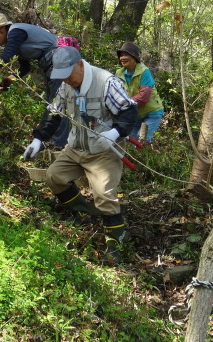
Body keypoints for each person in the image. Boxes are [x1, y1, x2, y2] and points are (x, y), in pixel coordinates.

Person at [21, 46, 138, 265]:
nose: (65, 79)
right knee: (54, 177)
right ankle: (83, 213)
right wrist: (39, 138)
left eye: (68, 73)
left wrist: (115, 132)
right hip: (75, 148)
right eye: (61, 75)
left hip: (104, 152)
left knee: (104, 195)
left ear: (80, 64)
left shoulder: (106, 82)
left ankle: (117, 241)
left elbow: (129, 111)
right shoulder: (65, 87)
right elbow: (54, 112)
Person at [0, 13, 69, 148]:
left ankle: (60, 143)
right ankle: (58, 142)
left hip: (60, 61)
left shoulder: (16, 32)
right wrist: (8, 80)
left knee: (58, 101)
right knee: (54, 101)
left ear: (2, 29)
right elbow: (24, 68)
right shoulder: (16, 40)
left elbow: (6, 57)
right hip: (53, 63)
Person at [115, 42, 164, 143]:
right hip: (136, 113)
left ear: (134, 57)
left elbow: (144, 97)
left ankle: (144, 157)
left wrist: (124, 104)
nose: (123, 58)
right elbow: (116, 93)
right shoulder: (119, 73)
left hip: (152, 113)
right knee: (130, 140)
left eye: (126, 55)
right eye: (121, 55)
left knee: (142, 139)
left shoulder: (143, 71)